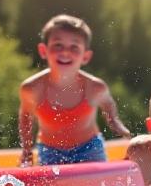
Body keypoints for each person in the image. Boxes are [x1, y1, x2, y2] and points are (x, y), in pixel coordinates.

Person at [18, 14, 131, 166]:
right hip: (50, 151)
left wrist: (116, 124)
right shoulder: (32, 89)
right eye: (58, 45)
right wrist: (26, 149)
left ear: (85, 56)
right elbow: (26, 116)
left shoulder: (95, 88)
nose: (65, 52)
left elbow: (108, 104)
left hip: (89, 148)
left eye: (74, 47)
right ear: (43, 50)